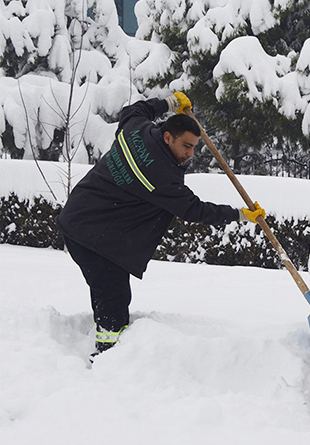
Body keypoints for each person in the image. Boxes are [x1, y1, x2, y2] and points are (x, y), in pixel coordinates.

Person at [57, 92, 265, 360]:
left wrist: (169, 102)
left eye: (194, 147)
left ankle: (111, 348)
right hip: (93, 236)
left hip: (81, 217)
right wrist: (240, 215)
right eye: (186, 146)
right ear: (168, 137)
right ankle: (107, 357)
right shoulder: (162, 177)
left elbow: (134, 109)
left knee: (109, 290)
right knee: (113, 297)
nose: (190, 154)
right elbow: (195, 210)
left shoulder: (136, 129)